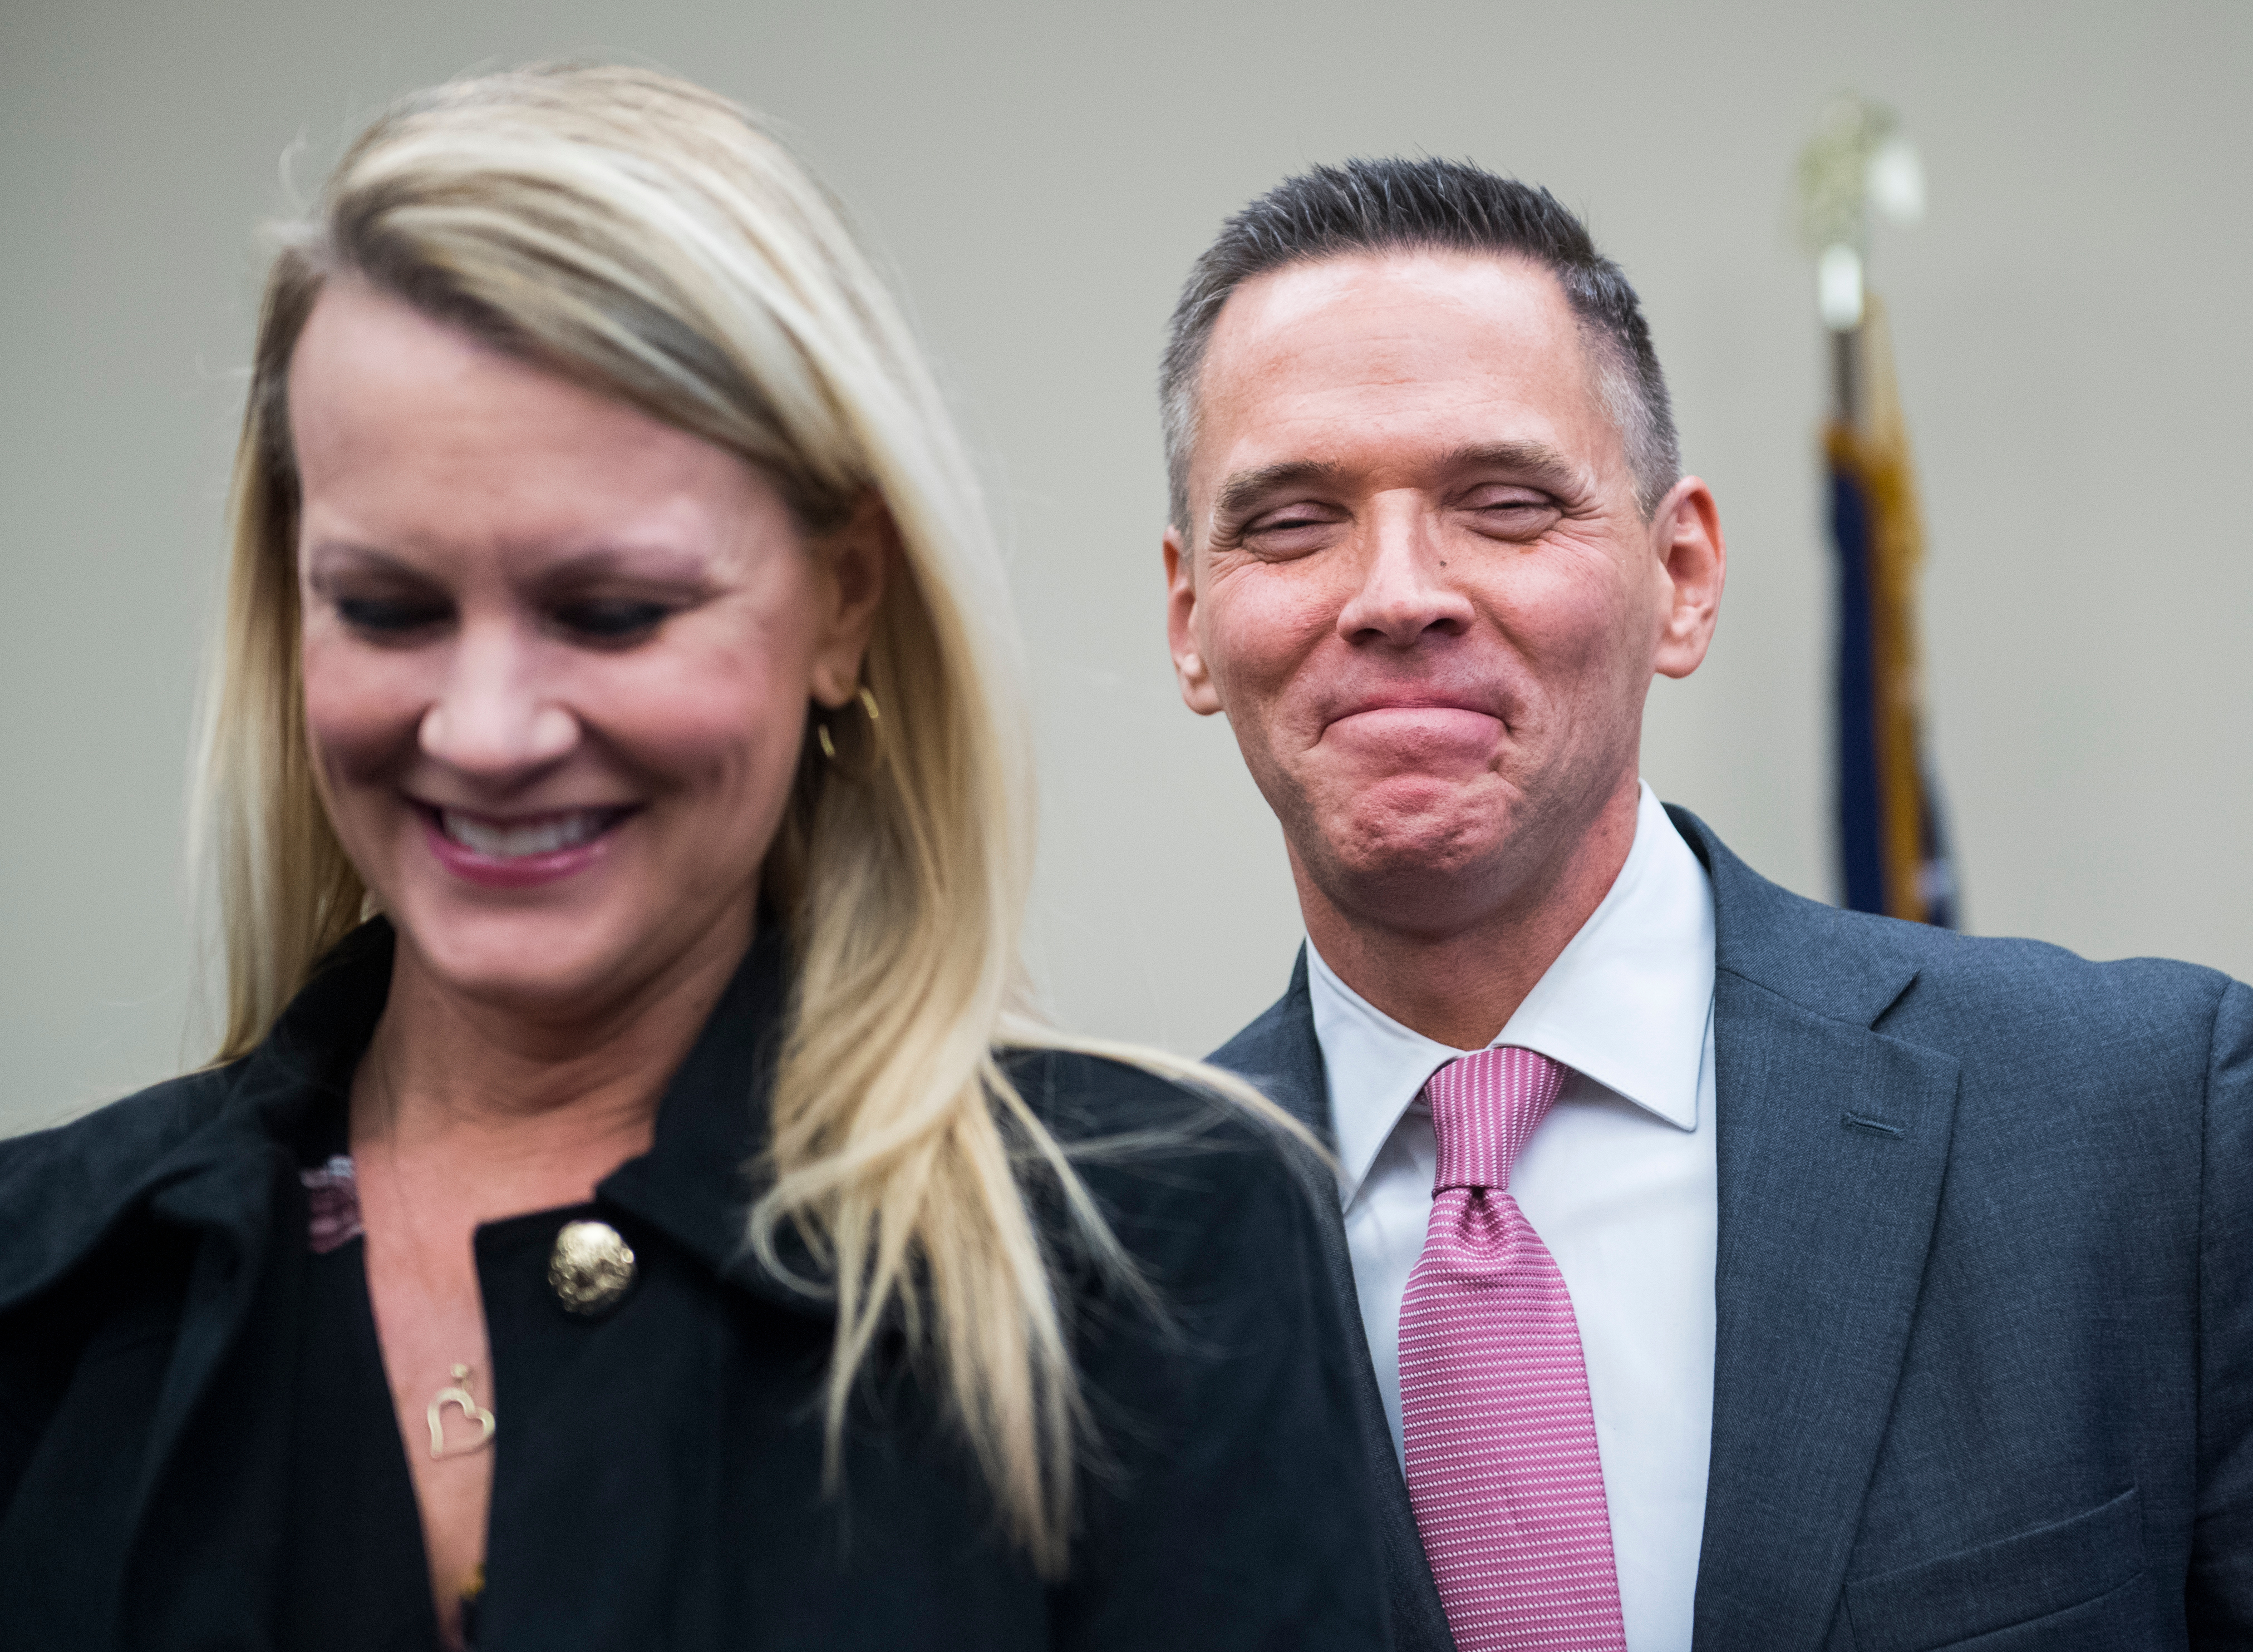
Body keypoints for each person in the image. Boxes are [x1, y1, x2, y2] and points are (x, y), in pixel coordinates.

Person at [0, 67, 1389, 1651]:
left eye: (612, 611)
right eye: (388, 608)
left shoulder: (1156, 1252)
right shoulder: (46, 1285)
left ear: (845, 600)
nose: (492, 726)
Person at [1158, 157, 2253, 1651]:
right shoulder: (1069, 1262)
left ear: (1684, 573)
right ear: (1189, 620)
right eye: (1288, 524)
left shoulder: (2135, 1130)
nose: (1397, 591)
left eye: (1505, 504)